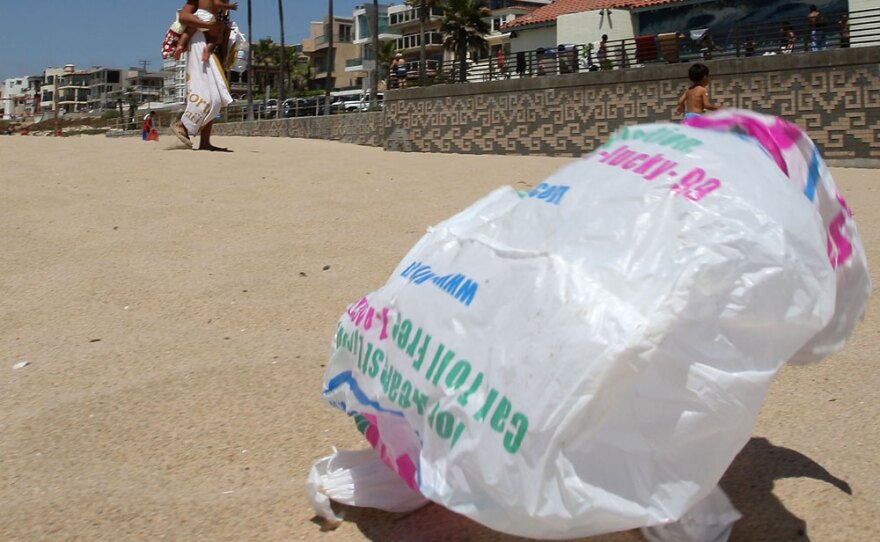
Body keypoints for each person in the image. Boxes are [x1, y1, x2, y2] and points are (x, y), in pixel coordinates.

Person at [171, 0, 234, 151]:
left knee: (217, 95)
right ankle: (182, 125)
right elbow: (184, 17)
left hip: (212, 49)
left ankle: (205, 142)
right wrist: (208, 26)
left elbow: (219, 29)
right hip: (198, 46)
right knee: (205, 93)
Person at [172, 1, 238, 62]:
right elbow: (216, 3)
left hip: (199, 14)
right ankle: (208, 49)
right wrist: (229, 6)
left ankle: (180, 45)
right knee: (214, 39)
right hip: (211, 17)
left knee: (188, 32)